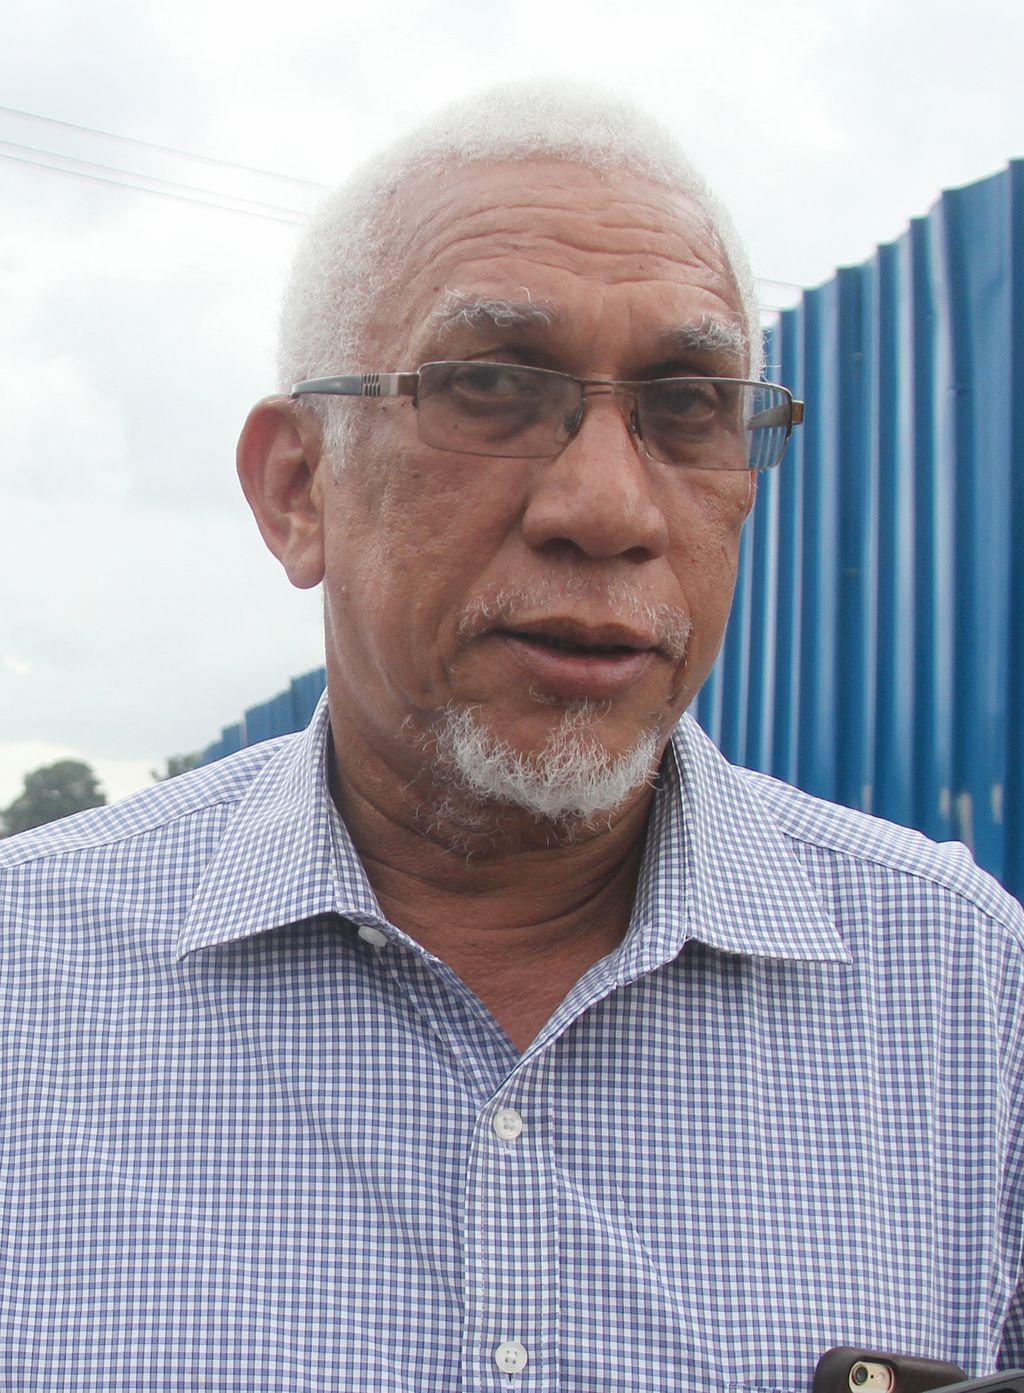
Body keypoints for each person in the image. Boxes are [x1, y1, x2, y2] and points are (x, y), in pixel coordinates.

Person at [1, 82, 1022, 1393]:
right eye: (490, 385)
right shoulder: (32, 990)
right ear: (300, 488)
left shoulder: (967, 1001)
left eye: (689, 405)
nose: (607, 508)